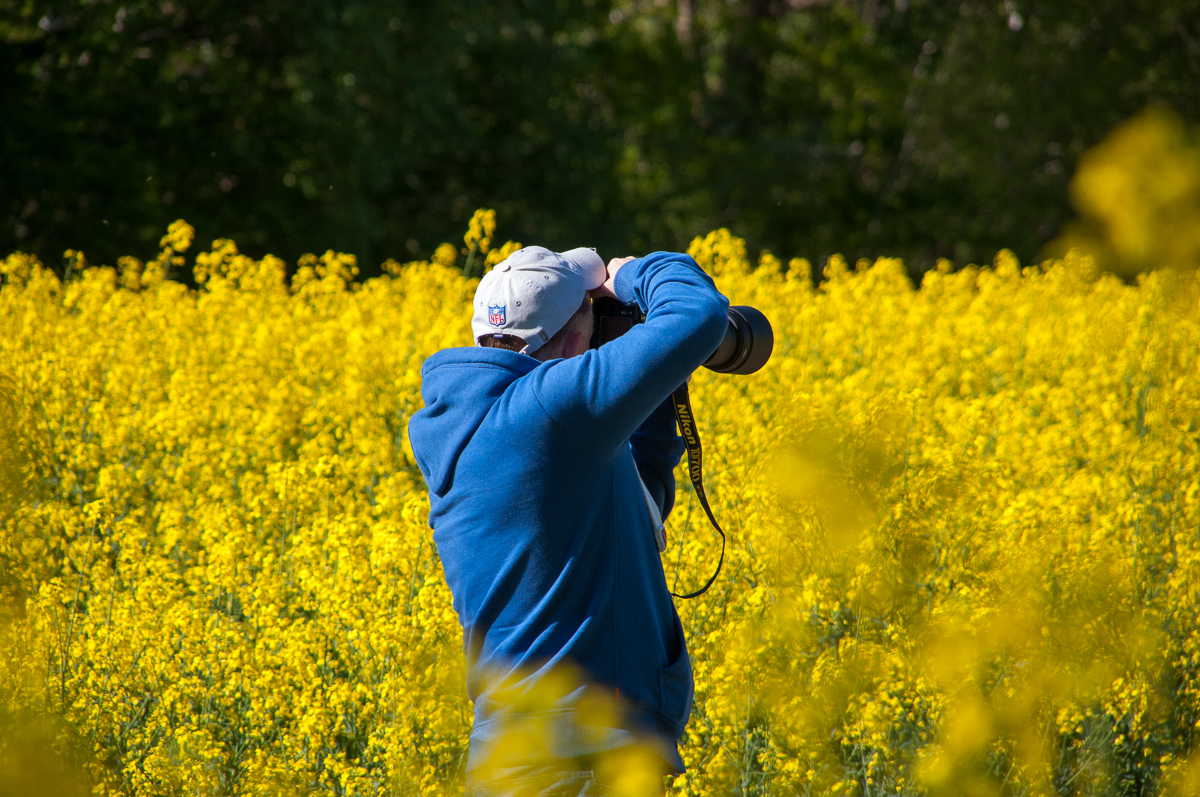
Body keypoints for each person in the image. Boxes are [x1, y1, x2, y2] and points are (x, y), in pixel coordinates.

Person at [407, 245, 729, 796]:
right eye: (588, 310)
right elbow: (699, 315)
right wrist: (637, 275)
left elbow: (631, 502)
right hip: (582, 763)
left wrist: (645, 384)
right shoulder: (549, 410)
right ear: (576, 339)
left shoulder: (479, 421)